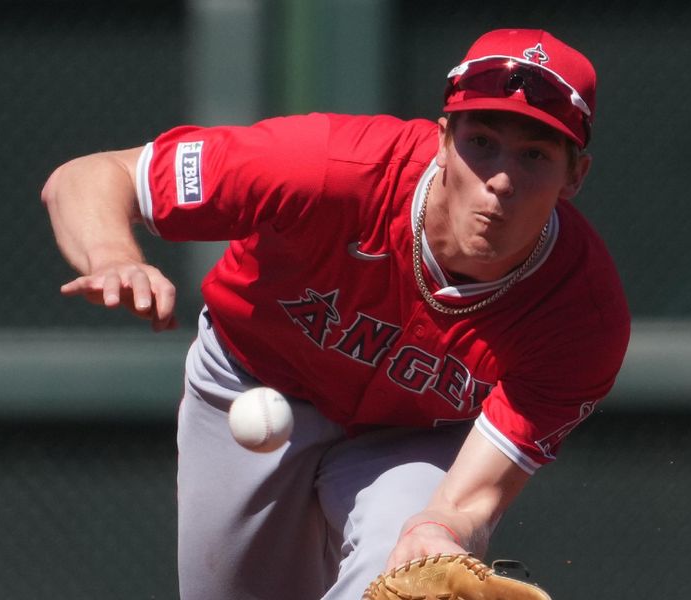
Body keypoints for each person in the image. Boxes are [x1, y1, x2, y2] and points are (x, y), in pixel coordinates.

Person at [42, 28, 630, 600]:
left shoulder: (582, 316)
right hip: (248, 381)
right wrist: (114, 255)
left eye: (534, 154)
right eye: (481, 143)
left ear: (575, 175)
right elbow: (94, 175)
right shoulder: (327, 168)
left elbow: (467, 499)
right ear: (444, 139)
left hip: (415, 436)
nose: (501, 179)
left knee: (411, 569)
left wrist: (439, 528)